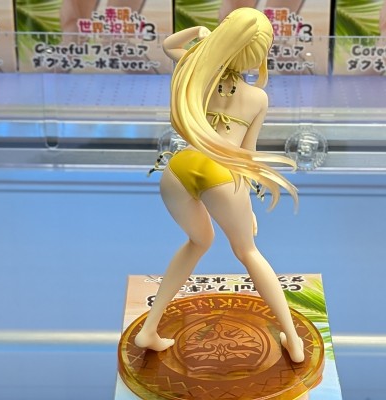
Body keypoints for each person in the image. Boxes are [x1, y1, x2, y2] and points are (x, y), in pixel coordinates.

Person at [134, 7, 304, 363]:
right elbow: (247, 155)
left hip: (179, 169)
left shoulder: (197, 72)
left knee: (199, 241)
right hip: (222, 175)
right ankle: (293, 338)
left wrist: (198, 31)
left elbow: (168, 46)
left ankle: (149, 329)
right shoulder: (257, 98)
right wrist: (246, 207)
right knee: (248, 252)